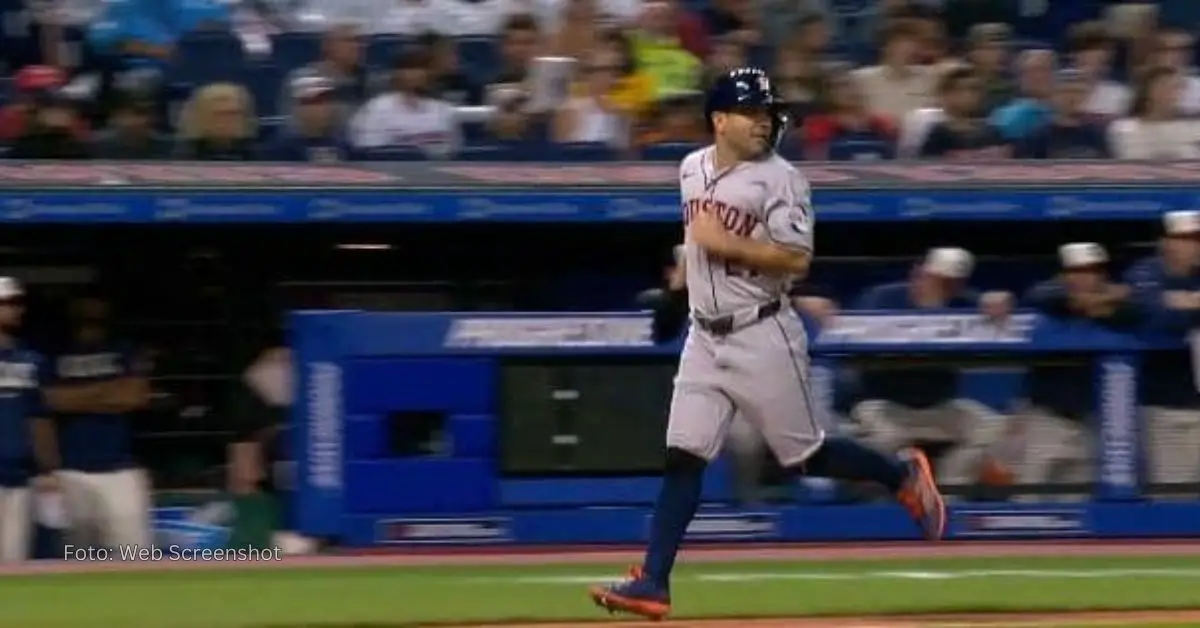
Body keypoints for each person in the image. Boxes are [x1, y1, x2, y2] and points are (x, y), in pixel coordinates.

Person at [588, 67, 945, 621]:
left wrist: (726, 240)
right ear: (720, 120)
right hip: (704, 336)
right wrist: (675, 293)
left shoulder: (783, 179)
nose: (765, 121)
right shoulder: (689, 169)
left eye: (768, 113)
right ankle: (654, 582)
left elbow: (796, 259)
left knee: (805, 457)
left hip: (762, 330)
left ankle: (900, 476)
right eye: (753, 113)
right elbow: (695, 247)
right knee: (683, 457)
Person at [851, 248, 1013, 488]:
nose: (940, 287)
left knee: (995, 430)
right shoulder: (882, 298)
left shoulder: (963, 303)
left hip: (940, 407)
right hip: (885, 406)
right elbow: (855, 341)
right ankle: (879, 505)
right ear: (918, 272)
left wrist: (997, 300)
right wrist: (926, 313)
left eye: (950, 283)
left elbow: (1000, 306)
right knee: (881, 441)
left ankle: (949, 488)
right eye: (935, 278)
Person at [1018, 243, 1136, 501]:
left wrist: (1101, 302)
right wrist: (1097, 302)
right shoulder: (1048, 300)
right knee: (1025, 503)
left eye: (1092, 271)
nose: (1084, 277)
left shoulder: (1121, 308)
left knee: (1077, 510)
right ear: (1063, 275)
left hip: (1089, 423)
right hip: (1045, 419)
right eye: (1076, 271)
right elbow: (1037, 294)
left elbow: (1140, 305)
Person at [41, 294, 152, 549]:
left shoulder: (122, 348)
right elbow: (51, 400)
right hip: (69, 470)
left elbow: (135, 395)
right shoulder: (54, 352)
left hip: (121, 470)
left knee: (134, 555)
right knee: (75, 557)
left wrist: (77, 396)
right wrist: (109, 392)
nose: (92, 311)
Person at [1124, 211, 1200, 498]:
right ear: (1166, 243)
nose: (1195, 246)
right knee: (1174, 498)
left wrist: (1185, 303)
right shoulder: (1144, 273)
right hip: (1165, 408)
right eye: (1186, 239)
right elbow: (1156, 315)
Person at [0, 278, 53, 563]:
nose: (15, 309)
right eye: (6, 303)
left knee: (14, 563)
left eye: (16, 303)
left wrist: (48, 468)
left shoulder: (31, 360)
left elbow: (39, 416)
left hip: (19, 476)